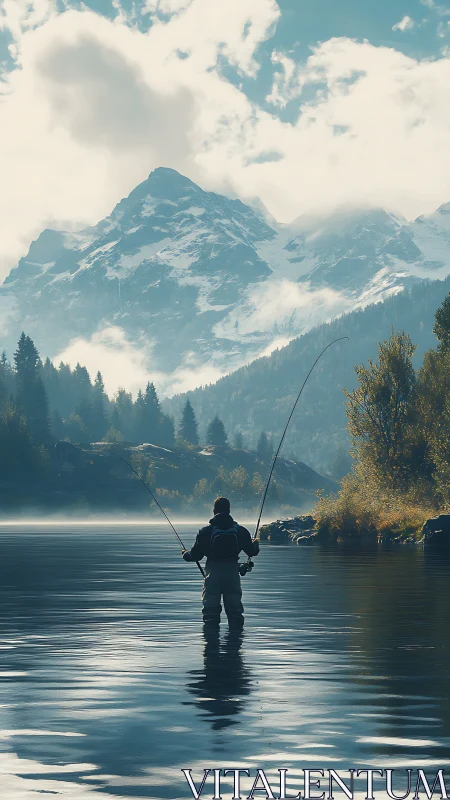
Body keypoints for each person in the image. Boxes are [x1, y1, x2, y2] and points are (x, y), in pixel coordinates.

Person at [182, 496, 260, 628]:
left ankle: (211, 642)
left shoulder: (205, 531)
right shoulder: (241, 531)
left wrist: (185, 554)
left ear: (214, 511)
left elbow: (195, 556)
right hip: (232, 576)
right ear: (229, 511)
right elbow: (252, 552)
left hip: (213, 575)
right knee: (235, 614)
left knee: (210, 615)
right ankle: (235, 643)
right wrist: (256, 543)